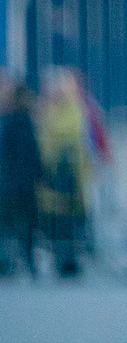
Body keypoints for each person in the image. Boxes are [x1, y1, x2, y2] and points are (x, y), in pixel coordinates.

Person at [35, 67, 95, 280]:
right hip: (49, 176)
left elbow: (70, 132)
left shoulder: (73, 108)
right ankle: (59, 259)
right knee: (54, 221)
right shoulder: (43, 109)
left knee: (69, 222)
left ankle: (69, 260)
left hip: (70, 175)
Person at [0, 71, 38, 278]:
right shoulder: (13, 120)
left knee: (20, 225)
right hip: (13, 182)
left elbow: (28, 154)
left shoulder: (19, 120)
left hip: (15, 184)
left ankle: (21, 263)